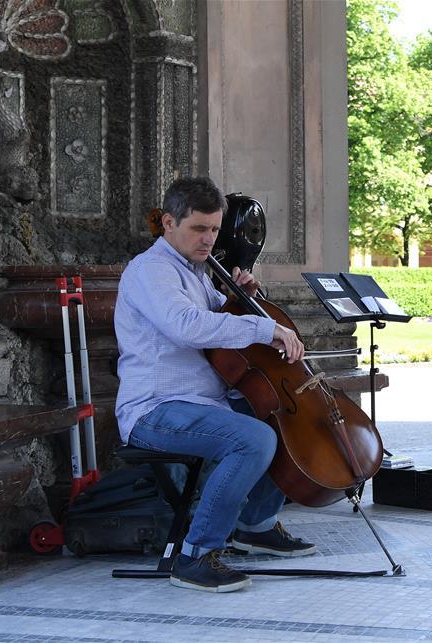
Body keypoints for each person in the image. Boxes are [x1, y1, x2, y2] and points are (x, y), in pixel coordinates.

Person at [114, 176, 315, 593]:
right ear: (168, 223)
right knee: (253, 440)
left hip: (204, 402)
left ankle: (254, 522)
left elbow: (214, 327)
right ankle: (195, 555)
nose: (209, 240)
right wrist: (263, 328)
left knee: (286, 420)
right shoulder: (151, 270)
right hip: (155, 409)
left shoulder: (197, 271)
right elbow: (187, 326)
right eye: (198, 229)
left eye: (214, 230)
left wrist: (236, 299)